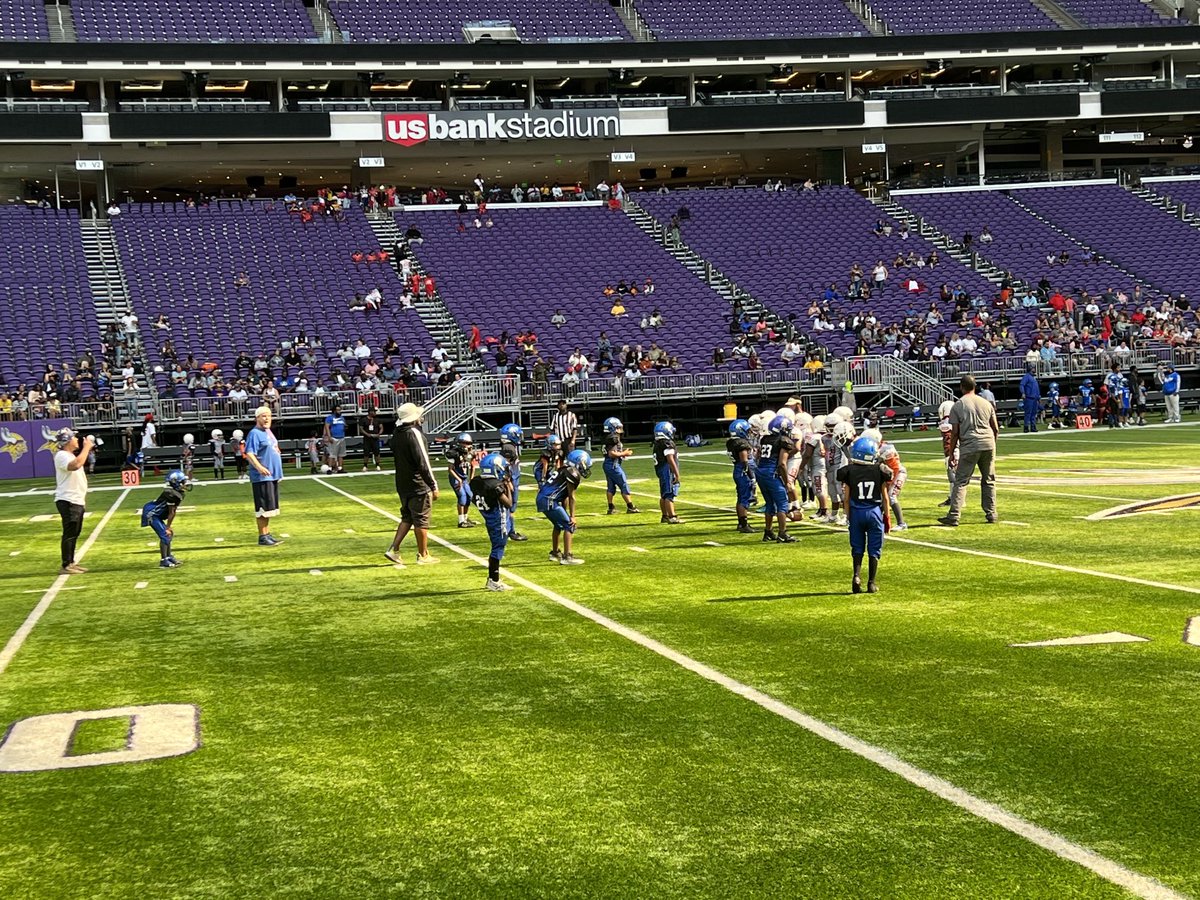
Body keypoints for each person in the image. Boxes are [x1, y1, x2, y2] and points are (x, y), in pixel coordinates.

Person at [939, 375, 999, 527]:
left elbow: (955, 433)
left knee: (961, 481)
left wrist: (952, 452)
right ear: (975, 386)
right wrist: (992, 442)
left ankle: (954, 515)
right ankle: (991, 513)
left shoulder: (958, 405)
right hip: (988, 443)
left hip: (969, 445)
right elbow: (995, 428)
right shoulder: (986, 403)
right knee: (989, 480)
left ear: (961, 387)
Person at [837, 435, 893, 594]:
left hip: (856, 512)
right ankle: (871, 582)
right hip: (874, 512)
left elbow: (846, 499)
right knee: (874, 549)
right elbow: (885, 498)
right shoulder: (879, 471)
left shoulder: (848, 472)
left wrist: (848, 516)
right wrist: (887, 518)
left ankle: (856, 576)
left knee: (857, 547)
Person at [386, 402, 439, 567]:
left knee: (407, 517)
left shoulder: (397, 434)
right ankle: (423, 554)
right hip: (417, 484)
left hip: (402, 482)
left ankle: (394, 549)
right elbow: (423, 462)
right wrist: (433, 485)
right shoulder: (413, 434)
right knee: (421, 519)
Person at [536, 449, 591, 565]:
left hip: (543, 498)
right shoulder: (572, 473)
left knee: (558, 524)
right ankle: (567, 556)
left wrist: (564, 512)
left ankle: (555, 553)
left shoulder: (563, 469)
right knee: (569, 525)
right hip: (549, 500)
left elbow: (564, 496)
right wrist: (572, 516)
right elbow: (571, 497)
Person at [53, 429, 95, 575]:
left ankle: (71, 562)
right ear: (67, 440)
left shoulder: (68, 455)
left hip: (75, 499)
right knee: (70, 533)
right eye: (74, 437)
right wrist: (87, 448)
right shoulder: (62, 455)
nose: (77, 439)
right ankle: (66, 564)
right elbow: (75, 465)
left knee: (74, 532)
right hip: (68, 499)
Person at [471, 452, 515, 591]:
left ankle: (493, 579)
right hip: (498, 518)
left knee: (497, 547)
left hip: (489, 516)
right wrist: (507, 486)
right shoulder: (495, 485)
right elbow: (509, 504)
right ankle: (493, 580)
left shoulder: (476, 481)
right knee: (498, 548)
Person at [244, 406, 285, 546]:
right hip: (262, 477)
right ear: (257, 418)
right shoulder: (254, 433)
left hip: (272, 475)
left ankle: (267, 533)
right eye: (264, 416)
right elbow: (249, 453)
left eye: (269, 415)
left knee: (269, 507)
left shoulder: (268, 432)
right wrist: (260, 467)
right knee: (262, 508)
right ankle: (262, 536)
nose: (267, 418)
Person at [755, 415, 798, 543]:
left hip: (761, 471)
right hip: (771, 473)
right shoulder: (783, 440)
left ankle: (768, 532)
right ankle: (782, 533)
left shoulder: (765, 439)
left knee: (769, 503)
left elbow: (758, 456)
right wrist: (787, 482)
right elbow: (782, 463)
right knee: (782, 504)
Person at [141, 469, 191, 568]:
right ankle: (163, 561)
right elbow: (171, 512)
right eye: (182, 482)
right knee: (165, 534)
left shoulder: (176, 493)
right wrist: (168, 527)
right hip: (151, 514)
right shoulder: (171, 494)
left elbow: (173, 511)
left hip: (156, 514)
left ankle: (169, 557)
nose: (184, 484)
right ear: (175, 483)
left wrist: (169, 527)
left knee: (169, 534)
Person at [601, 417, 640, 515]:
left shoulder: (608, 437)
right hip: (613, 464)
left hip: (608, 464)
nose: (620, 429)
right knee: (623, 484)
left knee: (610, 486)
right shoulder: (613, 438)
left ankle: (611, 507)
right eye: (618, 427)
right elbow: (612, 453)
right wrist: (624, 453)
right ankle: (630, 506)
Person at [498, 423, 528, 542]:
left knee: (510, 507)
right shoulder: (508, 448)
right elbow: (504, 467)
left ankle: (510, 530)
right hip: (511, 480)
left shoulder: (510, 446)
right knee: (509, 506)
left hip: (513, 478)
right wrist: (508, 481)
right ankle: (510, 531)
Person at [726, 419, 757, 534]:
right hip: (743, 472)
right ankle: (743, 524)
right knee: (744, 498)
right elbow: (745, 461)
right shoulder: (741, 444)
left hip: (738, 471)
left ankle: (741, 523)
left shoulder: (731, 442)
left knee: (741, 498)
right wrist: (752, 477)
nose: (748, 432)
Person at [652, 421, 683, 525]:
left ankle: (665, 516)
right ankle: (672, 516)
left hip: (661, 471)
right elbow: (670, 459)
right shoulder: (666, 443)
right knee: (669, 494)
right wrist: (677, 474)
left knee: (663, 495)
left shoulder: (657, 444)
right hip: (667, 471)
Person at [446, 431, 477, 529]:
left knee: (470, 497)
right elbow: (450, 470)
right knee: (462, 497)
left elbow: (473, 466)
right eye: (465, 443)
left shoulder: (471, 453)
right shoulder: (453, 453)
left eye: (469, 443)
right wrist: (458, 479)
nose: (467, 445)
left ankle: (465, 518)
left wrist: (471, 478)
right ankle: (461, 521)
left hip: (463, 478)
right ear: (459, 443)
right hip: (455, 478)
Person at [323, 403, 348, 473]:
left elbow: (344, 425)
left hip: (342, 437)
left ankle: (340, 468)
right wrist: (329, 436)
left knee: (341, 454)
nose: (339, 411)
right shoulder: (329, 418)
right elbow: (327, 427)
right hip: (334, 438)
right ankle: (330, 468)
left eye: (340, 410)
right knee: (332, 454)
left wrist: (345, 427)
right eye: (337, 410)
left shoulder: (342, 418)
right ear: (334, 411)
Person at [1019, 365, 1041, 433]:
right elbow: (1022, 385)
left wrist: (1038, 397)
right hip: (1029, 398)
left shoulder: (1033, 378)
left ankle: (1033, 427)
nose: (1034, 369)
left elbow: (1036, 389)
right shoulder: (1026, 376)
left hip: (1034, 398)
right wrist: (1023, 393)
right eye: (1033, 368)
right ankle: (1026, 427)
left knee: (1034, 413)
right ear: (1030, 369)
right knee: (1028, 413)